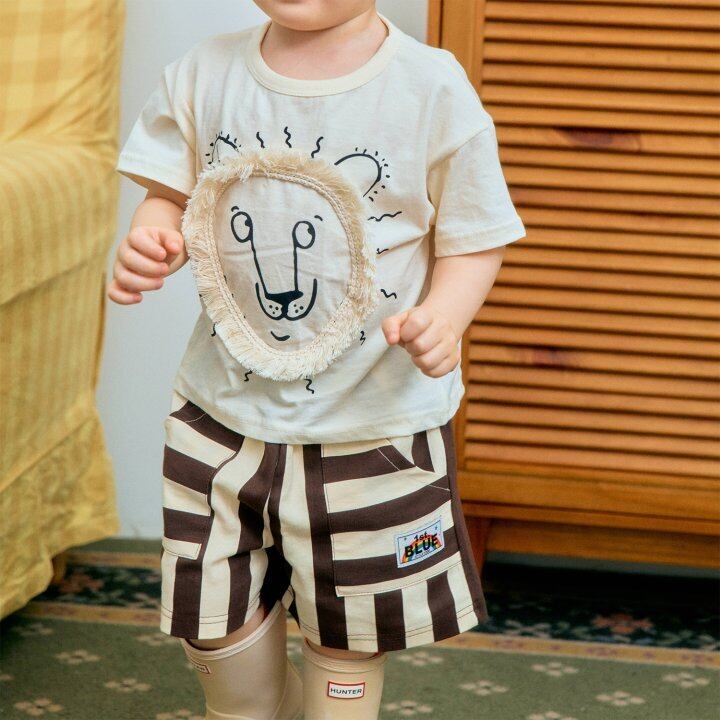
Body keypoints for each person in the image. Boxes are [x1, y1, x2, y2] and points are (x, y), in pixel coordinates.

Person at [110, 1, 525, 718]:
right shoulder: (203, 73)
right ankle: (252, 705)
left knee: (352, 633)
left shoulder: (431, 86)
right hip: (220, 415)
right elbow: (170, 193)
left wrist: (446, 316)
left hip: (374, 423)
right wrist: (152, 238)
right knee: (212, 612)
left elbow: (476, 233)